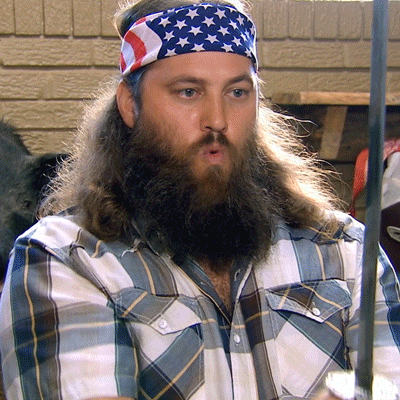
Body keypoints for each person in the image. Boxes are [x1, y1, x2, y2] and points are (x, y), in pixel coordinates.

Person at [1, 0, 399, 399]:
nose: (218, 119)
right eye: (188, 92)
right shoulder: (68, 260)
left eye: (237, 92)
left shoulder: (346, 252)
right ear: (130, 105)